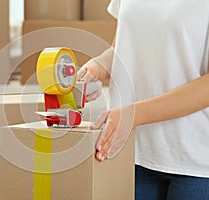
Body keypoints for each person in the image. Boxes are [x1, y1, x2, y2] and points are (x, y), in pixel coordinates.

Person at [77, 0, 209, 199]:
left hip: (192, 162)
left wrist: (133, 115)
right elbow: (121, 46)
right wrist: (98, 66)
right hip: (131, 152)